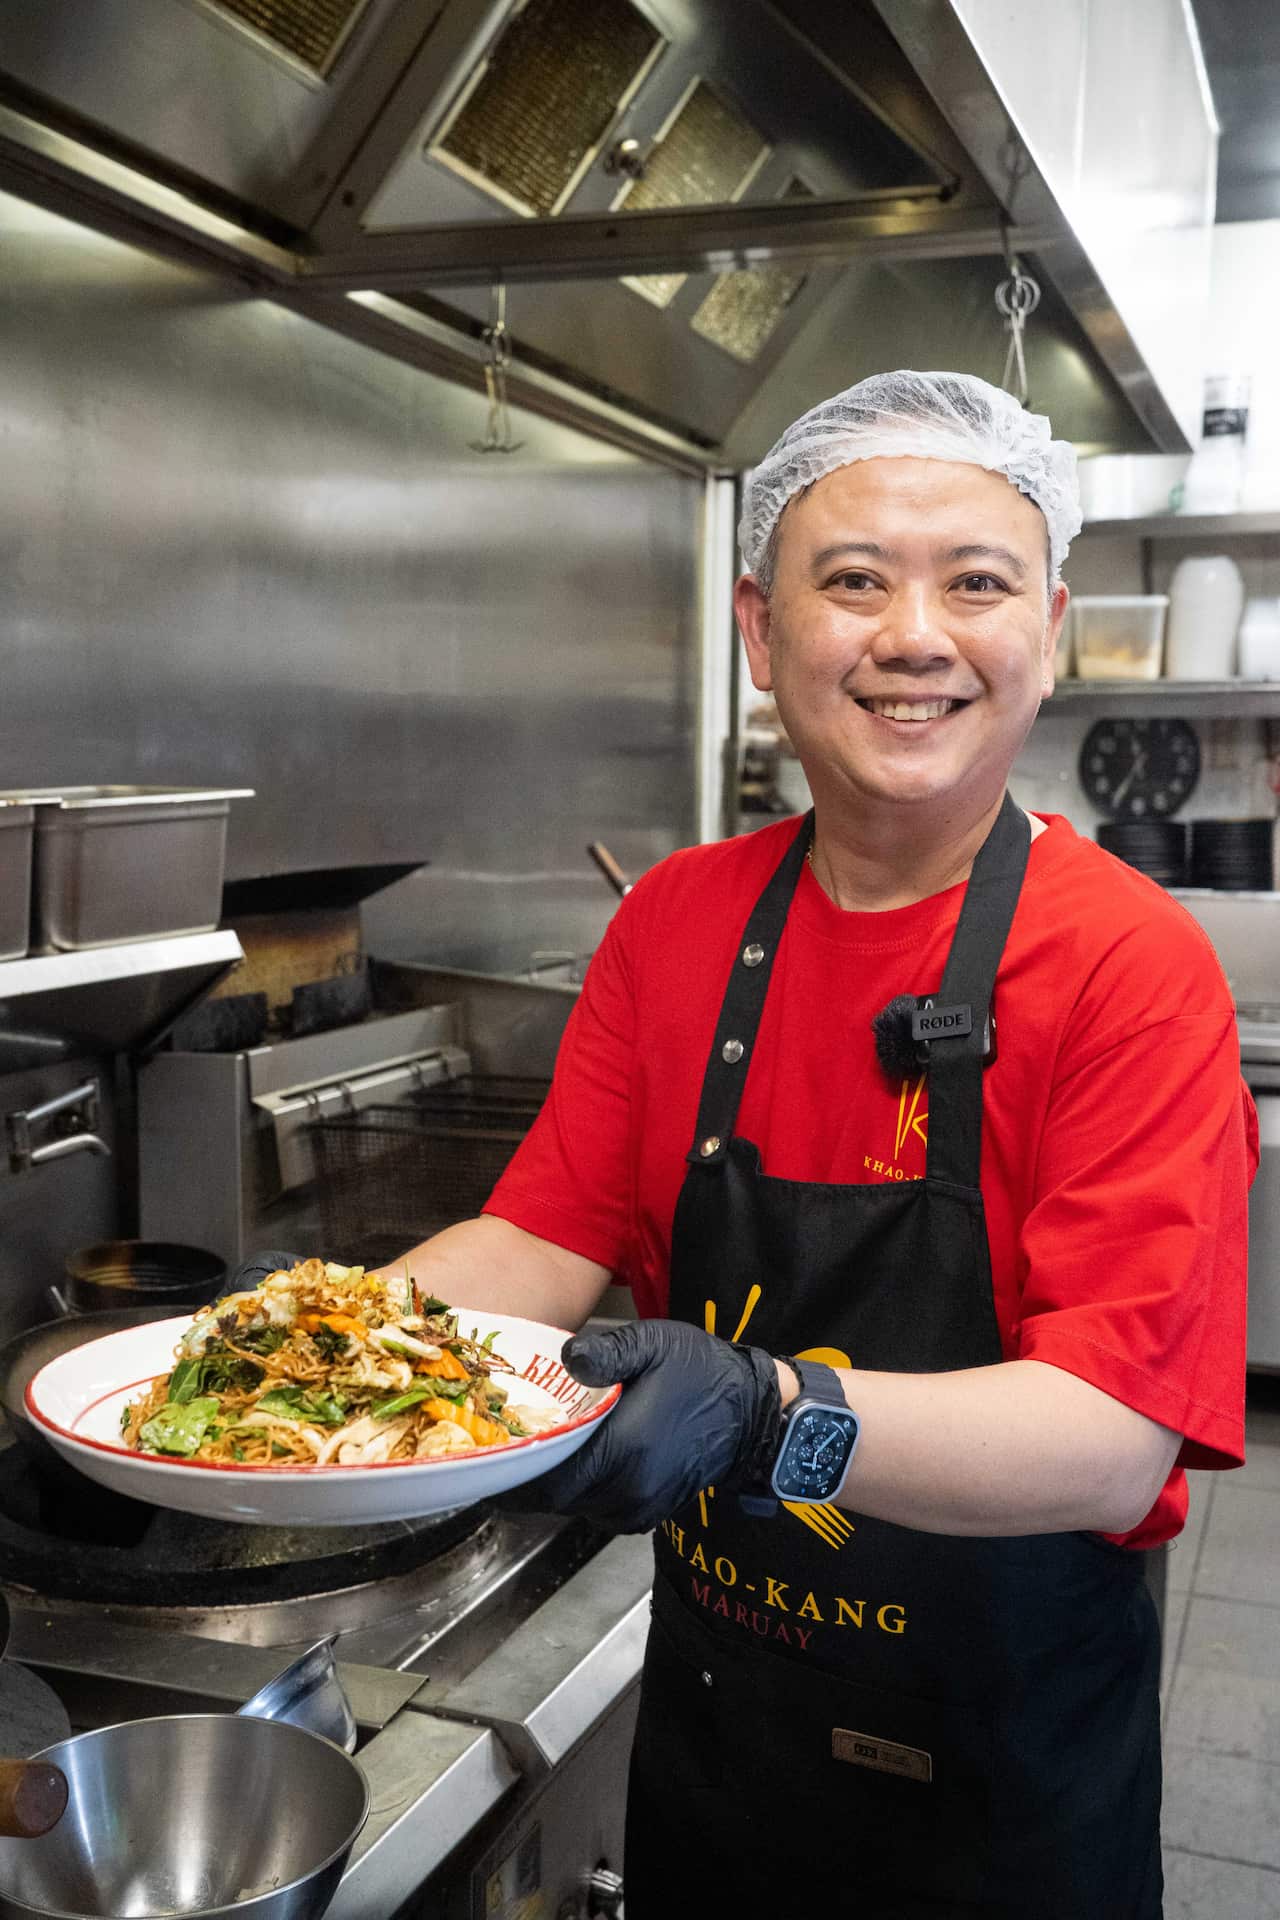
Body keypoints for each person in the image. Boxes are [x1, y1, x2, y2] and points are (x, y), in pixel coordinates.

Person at [389, 371, 1257, 1919]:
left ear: (1048, 628)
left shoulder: (1130, 963)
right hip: (724, 1747)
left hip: (999, 1797)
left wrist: (764, 1412)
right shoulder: (674, 922)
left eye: (975, 584)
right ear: (759, 629)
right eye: (853, 580)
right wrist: (316, 1353)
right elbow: (540, 1241)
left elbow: (1111, 1434)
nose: (914, 636)